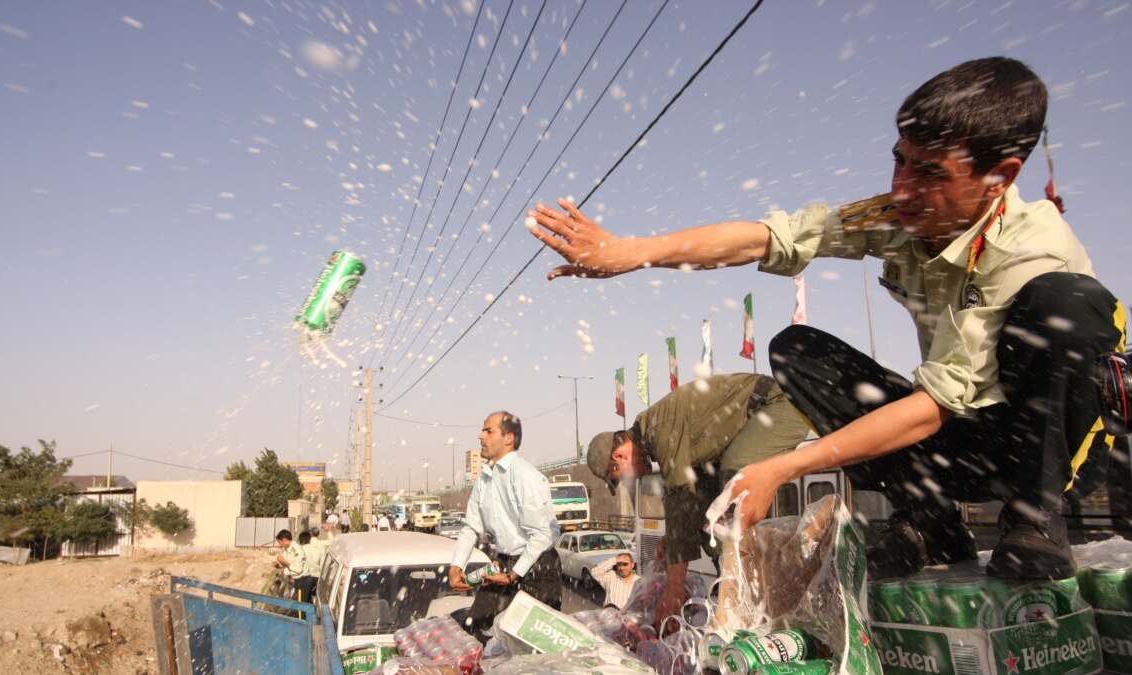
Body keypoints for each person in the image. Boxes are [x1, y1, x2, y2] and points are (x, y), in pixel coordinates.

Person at [529, 57, 1125, 582]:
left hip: (1040, 448)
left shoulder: (1030, 249)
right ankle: (933, 523)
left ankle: (1036, 517)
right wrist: (632, 252)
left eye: (931, 174)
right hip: (957, 445)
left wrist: (785, 466)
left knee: (1066, 302)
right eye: (900, 162)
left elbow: (935, 405)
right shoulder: (898, 213)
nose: (903, 190)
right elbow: (768, 238)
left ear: (1002, 177)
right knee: (798, 349)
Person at [586, 373, 809, 626]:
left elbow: (680, 495)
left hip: (778, 403)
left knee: (735, 474)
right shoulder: (655, 436)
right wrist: (672, 540)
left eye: (620, 477)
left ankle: (776, 583)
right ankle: (737, 592)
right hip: (754, 421)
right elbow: (689, 500)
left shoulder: (657, 429)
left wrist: (674, 589)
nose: (632, 480)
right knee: (710, 520)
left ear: (618, 457)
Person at [448, 411, 563, 639]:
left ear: (509, 438)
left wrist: (513, 575)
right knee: (476, 631)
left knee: (532, 643)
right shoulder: (484, 479)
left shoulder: (524, 476)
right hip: (503, 565)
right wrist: (456, 566)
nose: (481, 436)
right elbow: (471, 528)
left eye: (488, 431)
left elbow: (544, 534)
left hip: (537, 567)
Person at [274, 529, 310, 618]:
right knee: (299, 605)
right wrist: (278, 565)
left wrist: (284, 562)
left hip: (302, 580)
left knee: (301, 607)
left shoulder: (297, 550)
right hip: (296, 580)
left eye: (280, 542)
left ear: (284, 540)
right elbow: (286, 561)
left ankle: (302, 623)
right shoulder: (287, 549)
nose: (280, 544)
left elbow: (298, 569)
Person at [297, 530, 322, 604]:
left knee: (303, 602)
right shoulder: (318, 550)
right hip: (317, 578)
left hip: (304, 579)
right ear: (309, 540)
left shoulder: (300, 551)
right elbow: (322, 565)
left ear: (300, 540)